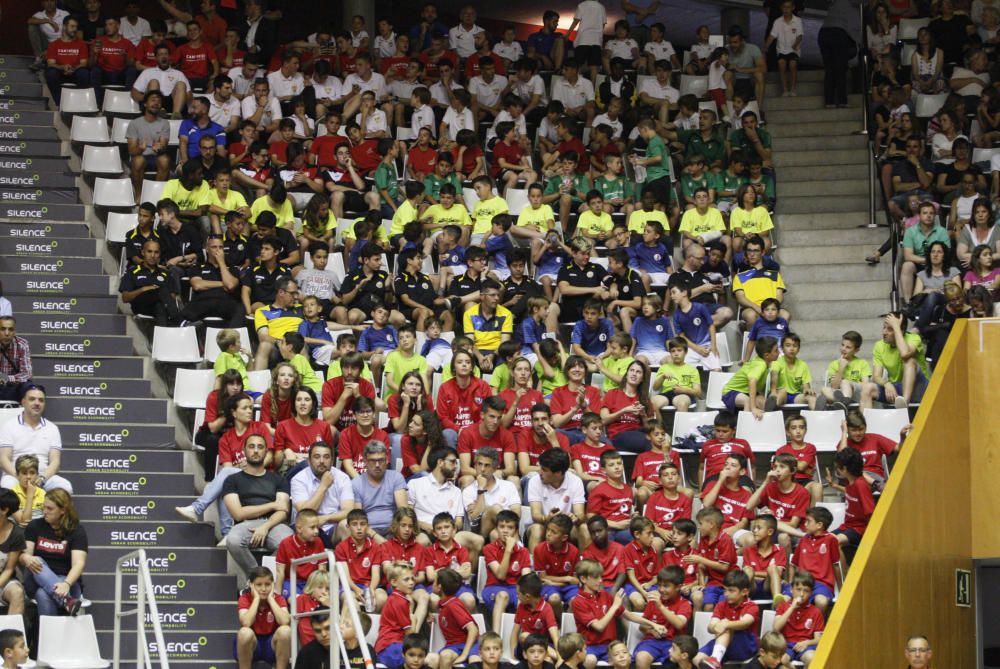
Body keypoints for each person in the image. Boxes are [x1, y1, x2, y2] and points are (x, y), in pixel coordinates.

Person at [223, 436, 294, 578]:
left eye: (260, 447)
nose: (256, 451)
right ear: (244, 451)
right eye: (251, 447)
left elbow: (283, 511)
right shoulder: (232, 480)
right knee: (233, 540)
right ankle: (259, 578)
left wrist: (265, 526)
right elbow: (238, 514)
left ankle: (265, 579)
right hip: (245, 525)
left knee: (289, 542)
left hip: (274, 524)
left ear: (266, 452)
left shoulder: (278, 479)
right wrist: (272, 504)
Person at [21, 489, 87, 616]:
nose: (44, 512)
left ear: (63, 510)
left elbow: (79, 563)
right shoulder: (35, 526)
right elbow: (24, 555)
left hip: (67, 581)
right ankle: (67, 601)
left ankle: (49, 636)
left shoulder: (76, 530)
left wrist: (66, 584)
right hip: (35, 578)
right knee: (37, 560)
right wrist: (26, 558)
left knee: (43, 593)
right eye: (43, 507)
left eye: (50, 509)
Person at [0, 385, 70, 493]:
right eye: (32, 399)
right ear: (23, 402)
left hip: (43, 477)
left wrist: (42, 479)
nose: (37, 403)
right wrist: (20, 477)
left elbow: (55, 462)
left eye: (41, 400)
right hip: (15, 476)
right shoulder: (9, 426)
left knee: (65, 487)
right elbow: (3, 459)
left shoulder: (52, 428)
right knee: (7, 487)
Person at [290, 443, 355, 545]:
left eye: (326, 457)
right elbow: (304, 514)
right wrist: (323, 486)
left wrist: (325, 518)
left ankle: (345, 559)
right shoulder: (299, 479)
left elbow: (349, 511)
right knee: (305, 526)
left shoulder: (342, 478)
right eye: (317, 457)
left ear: (332, 460)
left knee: (346, 524)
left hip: (333, 527)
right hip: (307, 528)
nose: (322, 461)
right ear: (309, 460)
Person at [236, 566, 292, 669]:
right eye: (258, 585)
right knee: (244, 632)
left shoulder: (278, 598)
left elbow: (285, 621)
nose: (263, 589)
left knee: (286, 631)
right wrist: (256, 599)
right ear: (251, 585)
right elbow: (246, 623)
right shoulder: (244, 598)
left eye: (267, 584)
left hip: (272, 645)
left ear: (272, 585)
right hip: (252, 645)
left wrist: (271, 599)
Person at [351, 441, 409, 537]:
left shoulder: (396, 477)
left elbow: (403, 511)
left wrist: (396, 529)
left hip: (393, 528)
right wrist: (373, 535)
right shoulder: (356, 483)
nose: (377, 465)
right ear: (365, 461)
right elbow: (358, 518)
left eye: (381, 460)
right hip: (368, 531)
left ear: (387, 460)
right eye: (373, 461)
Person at [817, 0, 860, 108]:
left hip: (823, 32)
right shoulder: (852, 6)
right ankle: (842, 101)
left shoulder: (835, 3)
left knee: (829, 70)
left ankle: (829, 101)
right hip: (838, 33)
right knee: (840, 69)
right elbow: (854, 29)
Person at [127, 91, 172, 192]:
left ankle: (156, 194)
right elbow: (131, 151)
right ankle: (139, 195)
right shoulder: (134, 123)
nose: (156, 103)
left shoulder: (165, 123)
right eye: (153, 100)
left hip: (156, 157)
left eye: (159, 102)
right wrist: (140, 148)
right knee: (138, 161)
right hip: (140, 156)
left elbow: (164, 146)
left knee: (165, 160)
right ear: (145, 104)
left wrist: (160, 148)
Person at [131, 42, 190, 118]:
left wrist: (181, 97)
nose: (164, 57)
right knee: (154, 82)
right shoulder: (147, 72)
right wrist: (146, 97)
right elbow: (134, 92)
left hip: (172, 102)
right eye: (160, 54)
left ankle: (176, 116)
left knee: (181, 84)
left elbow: (189, 95)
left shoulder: (178, 74)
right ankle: (157, 112)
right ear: (156, 57)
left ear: (169, 56)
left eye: (166, 54)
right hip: (154, 102)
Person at [43, 15, 90, 107]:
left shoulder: (81, 44)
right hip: (60, 73)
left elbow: (84, 63)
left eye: (76, 27)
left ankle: (79, 103)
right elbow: (51, 63)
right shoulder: (54, 44)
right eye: (72, 26)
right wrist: (63, 67)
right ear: (64, 27)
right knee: (50, 73)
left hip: (75, 72)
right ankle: (60, 103)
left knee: (84, 73)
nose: (75, 29)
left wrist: (73, 68)